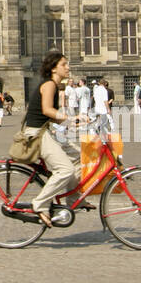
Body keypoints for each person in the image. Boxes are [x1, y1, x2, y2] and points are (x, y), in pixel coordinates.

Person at [24, 50, 83, 227]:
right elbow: (47, 110)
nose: (68, 67)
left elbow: (52, 116)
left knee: (79, 156)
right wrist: (69, 119)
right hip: (36, 134)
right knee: (65, 170)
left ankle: (73, 199)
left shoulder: (54, 86)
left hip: (45, 131)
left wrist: (73, 122)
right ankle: (39, 204)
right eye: (64, 64)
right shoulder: (49, 84)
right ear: (53, 68)